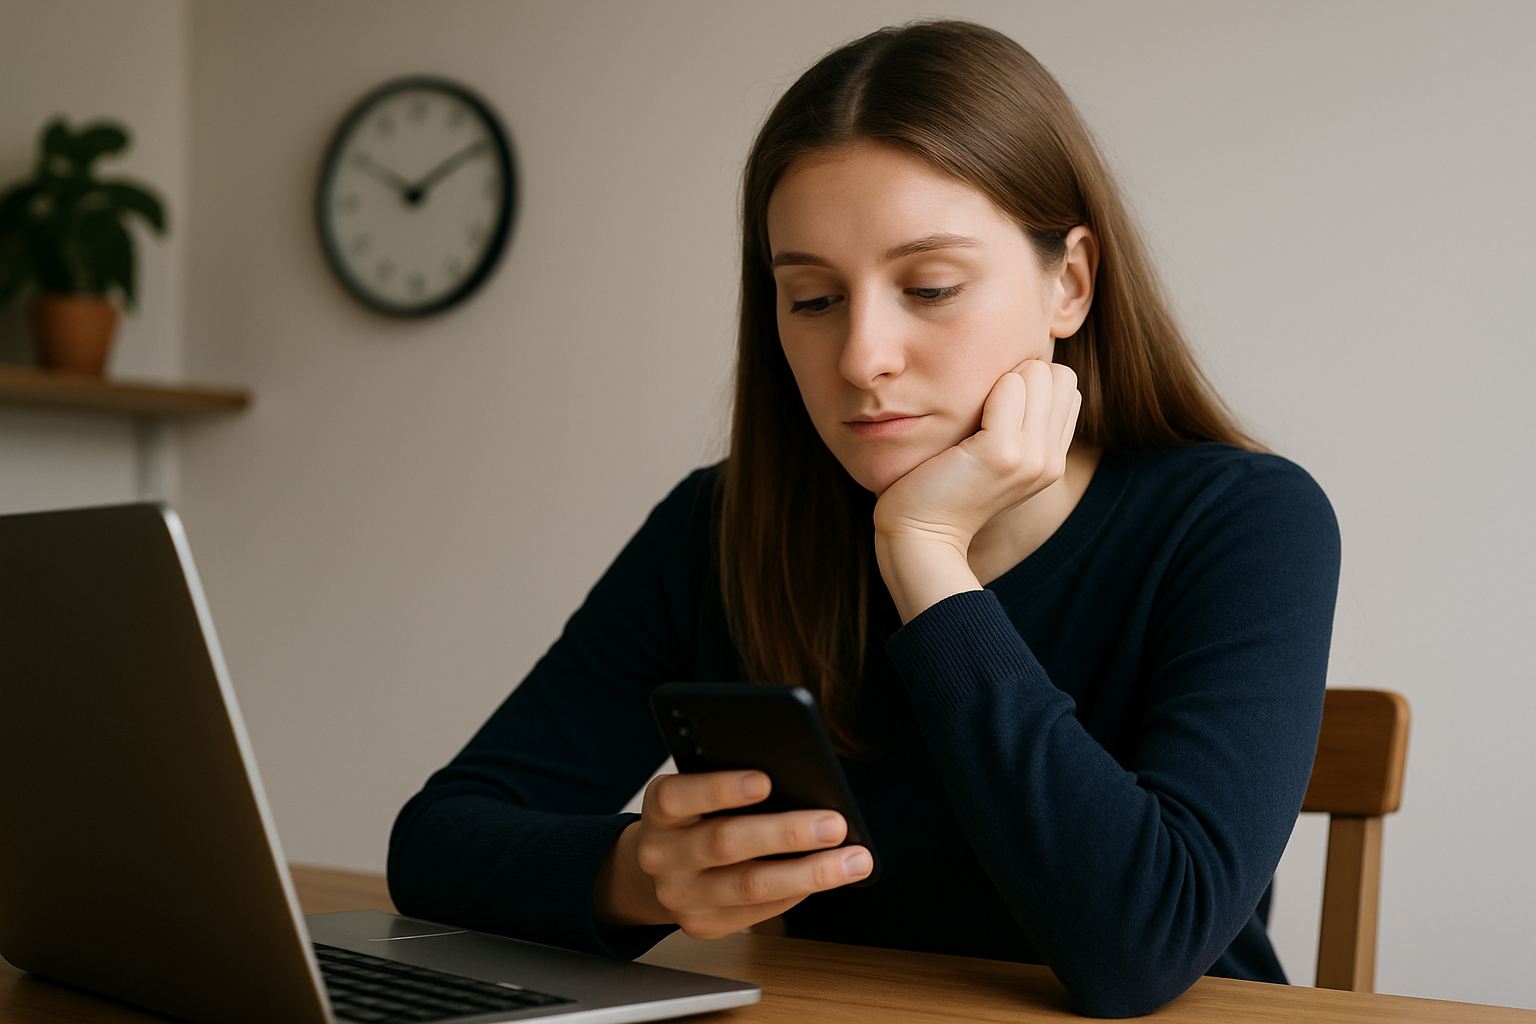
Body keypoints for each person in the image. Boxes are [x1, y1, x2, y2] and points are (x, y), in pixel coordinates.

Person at [388, 19, 1339, 1018]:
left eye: (929, 286)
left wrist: (926, 556)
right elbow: (440, 840)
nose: (861, 356)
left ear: (1069, 282)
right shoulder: (720, 527)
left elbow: (1141, 946)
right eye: (810, 298)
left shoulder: (1241, 522)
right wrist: (641, 872)